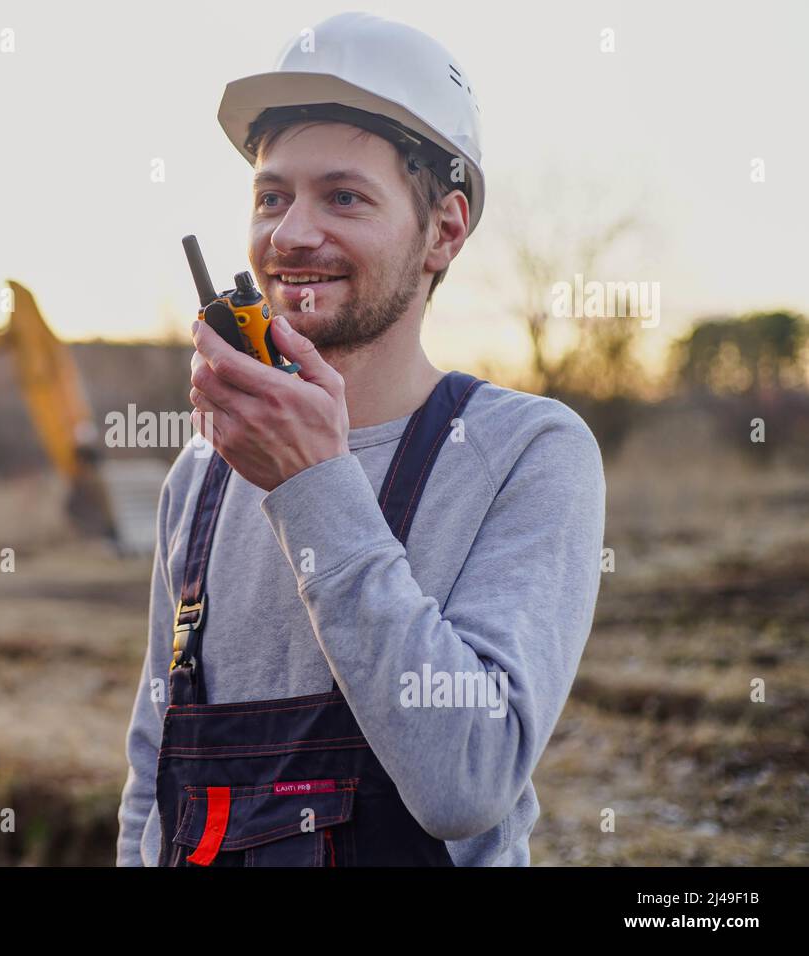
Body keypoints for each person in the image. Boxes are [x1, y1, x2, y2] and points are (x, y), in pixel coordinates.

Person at [116, 12, 605, 866]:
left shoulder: (528, 453)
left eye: (343, 196)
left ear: (444, 230)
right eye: (272, 196)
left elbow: (466, 782)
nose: (290, 235)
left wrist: (312, 483)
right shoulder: (200, 477)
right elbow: (150, 789)